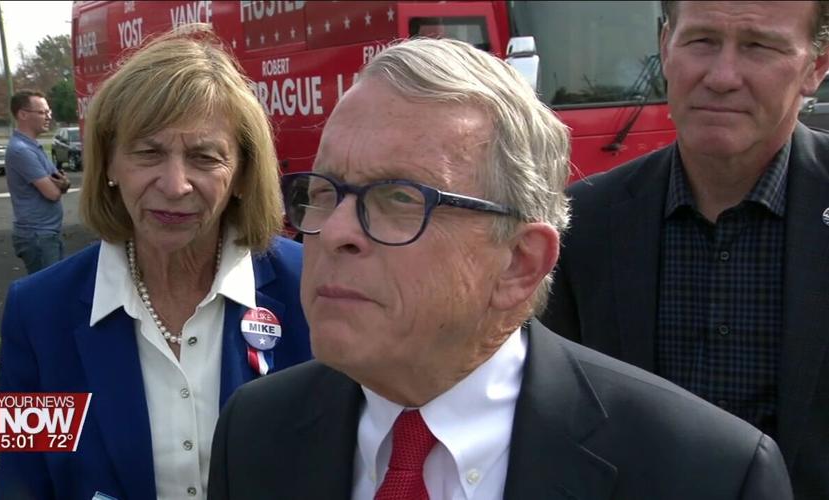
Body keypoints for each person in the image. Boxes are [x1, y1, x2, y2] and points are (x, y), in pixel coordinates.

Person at [209, 38, 792, 499]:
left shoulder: (705, 473)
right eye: (324, 190)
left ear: (519, 263)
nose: (334, 232)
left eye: (398, 199)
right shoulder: (255, 432)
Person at [0, 26, 312, 500]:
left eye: (205, 157)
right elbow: (23, 481)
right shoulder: (40, 311)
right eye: (148, 152)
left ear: (243, 173)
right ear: (110, 166)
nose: (175, 183)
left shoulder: (312, 286)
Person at [541, 1, 829, 498]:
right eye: (702, 41)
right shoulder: (581, 225)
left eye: (759, 46)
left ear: (815, 68)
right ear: (664, 46)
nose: (721, 76)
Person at [5, 89, 70, 274]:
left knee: (54, 288)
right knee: (48, 294)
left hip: (46, 233)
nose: (48, 116)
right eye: (42, 112)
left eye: (48, 112)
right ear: (23, 114)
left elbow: (59, 182)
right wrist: (60, 187)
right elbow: (52, 193)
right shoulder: (21, 150)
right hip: (37, 236)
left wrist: (63, 184)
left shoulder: (34, 147)